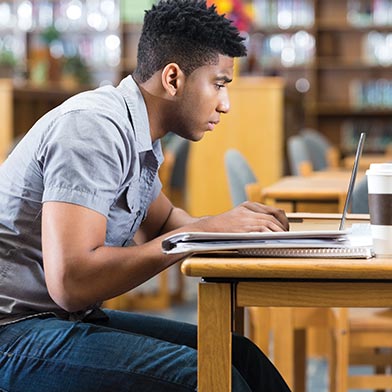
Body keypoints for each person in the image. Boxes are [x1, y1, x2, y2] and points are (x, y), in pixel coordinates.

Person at [0, 1, 291, 391]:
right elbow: (71, 283)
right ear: (173, 78)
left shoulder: (136, 133)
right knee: (205, 376)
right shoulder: (94, 129)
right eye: (219, 84)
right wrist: (197, 236)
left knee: (239, 355)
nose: (225, 104)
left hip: (57, 319)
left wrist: (237, 230)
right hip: (14, 332)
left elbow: (167, 222)